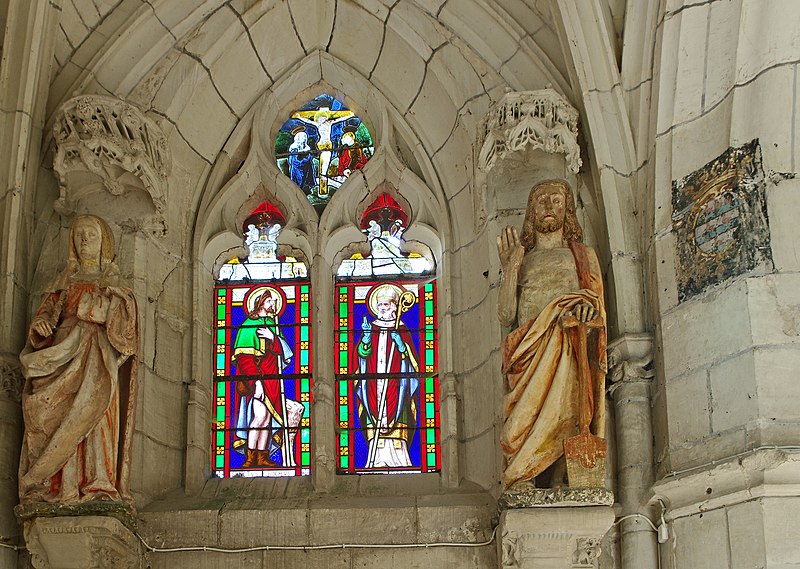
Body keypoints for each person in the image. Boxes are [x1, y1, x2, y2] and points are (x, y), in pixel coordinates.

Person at [18, 215, 139, 505]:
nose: (84, 240)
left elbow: (126, 330)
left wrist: (100, 312)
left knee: (95, 417)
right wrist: (41, 326)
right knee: (57, 415)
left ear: (103, 243)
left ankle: (98, 484)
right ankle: (60, 486)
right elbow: (47, 316)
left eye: (91, 235)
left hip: (97, 358)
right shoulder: (62, 284)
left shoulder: (114, 286)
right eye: (79, 235)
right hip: (62, 354)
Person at [496, 179, 606, 488]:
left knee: (566, 410)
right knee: (518, 426)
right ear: (531, 212)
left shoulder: (583, 256)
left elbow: (596, 303)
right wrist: (511, 268)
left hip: (568, 345)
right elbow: (505, 315)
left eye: (556, 200)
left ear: (567, 210)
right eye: (541, 201)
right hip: (528, 352)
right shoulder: (523, 259)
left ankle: (561, 476)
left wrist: (585, 307)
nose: (548, 206)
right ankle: (522, 473)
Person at [233, 287, 303, 468]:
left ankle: (262, 456)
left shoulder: (273, 324)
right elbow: (244, 359)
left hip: (273, 379)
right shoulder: (248, 325)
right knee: (259, 416)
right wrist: (256, 382)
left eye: (274, 301)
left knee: (267, 420)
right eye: (270, 300)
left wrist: (273, 338)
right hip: (256, 379)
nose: (273, 304)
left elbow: (285, 352)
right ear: (260, 302)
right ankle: (250, 457)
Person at [354, 285, 419, 468]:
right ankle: (375, 459)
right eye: (380, 305)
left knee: (399, 415)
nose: (382, 308)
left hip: (397, 386)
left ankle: (400, 460)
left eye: (386, 304)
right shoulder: (372, 327)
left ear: (394, 306)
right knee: (373, 415)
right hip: (373, 386)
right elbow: (361, 358)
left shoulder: (401, 329)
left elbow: (412, 362)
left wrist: (401, 345)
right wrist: (367, 338)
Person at [287, 128, 316, 195]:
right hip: (297, 169)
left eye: (305, 137)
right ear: (298, 138)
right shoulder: (294, 148)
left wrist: (306, 157)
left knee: (309, 168)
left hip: (307, 168)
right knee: (299, 181)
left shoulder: (306, 147)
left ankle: (307, 188)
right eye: (302, 138)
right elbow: (294, 161)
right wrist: (304, 159)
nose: (304, 139)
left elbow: (310, 157)